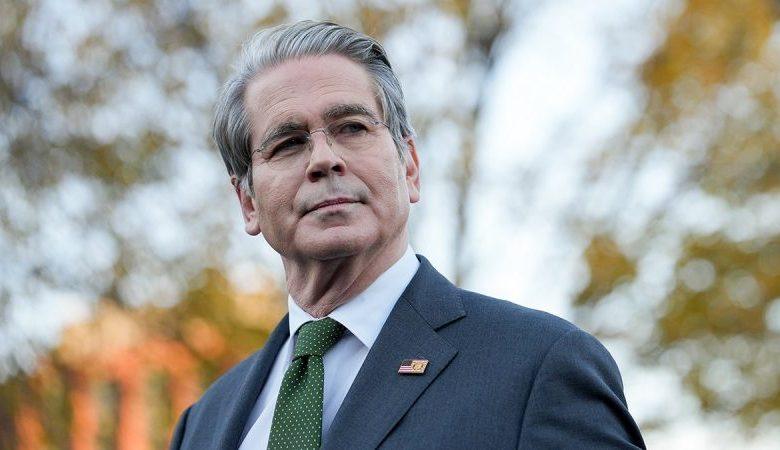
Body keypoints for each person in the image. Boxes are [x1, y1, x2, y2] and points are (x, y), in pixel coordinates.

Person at [169, 20, 646, 450]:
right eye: (288, 143)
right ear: (248, 202)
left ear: (410, 166)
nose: (324, 159)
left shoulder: (539, 366)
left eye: (352, 127)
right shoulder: (202, 424)